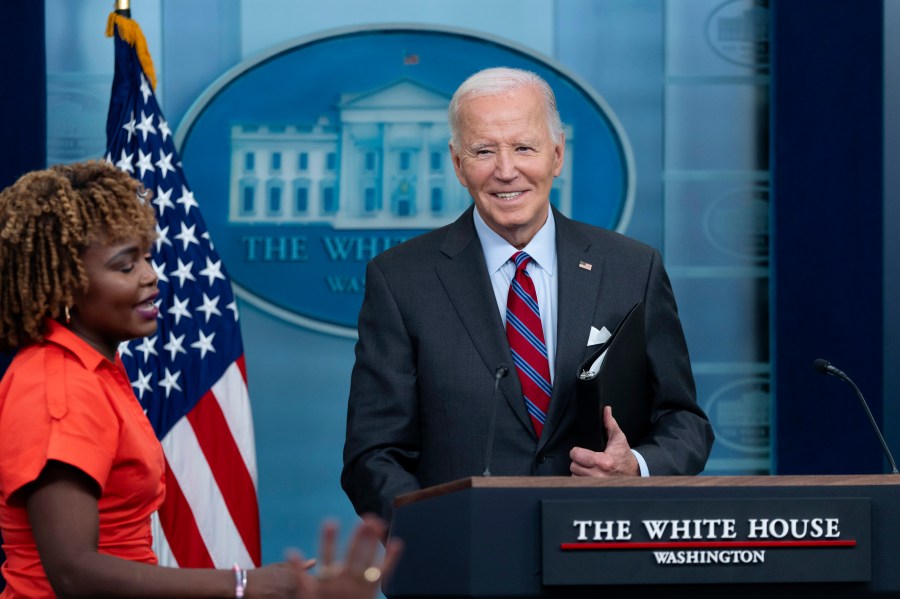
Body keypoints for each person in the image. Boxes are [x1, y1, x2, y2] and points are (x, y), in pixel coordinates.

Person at [0, 161, 401, 598]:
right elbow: (73, 572)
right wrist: (244, 585)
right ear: (65, 284)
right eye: (124, 266)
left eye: (148, 258)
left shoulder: (94, 372)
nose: (151, 277)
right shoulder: (59, 385)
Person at [341, 67, 714, 524]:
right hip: (462, 565)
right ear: (458, 165)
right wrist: (431, 539)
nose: (505, 170)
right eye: (483, 151)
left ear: (557, 156)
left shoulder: (632, 268)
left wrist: (635, 467)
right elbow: (373, 454)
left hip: (598, 554)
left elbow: (684, 421)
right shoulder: (400, 279)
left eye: (523, 147)